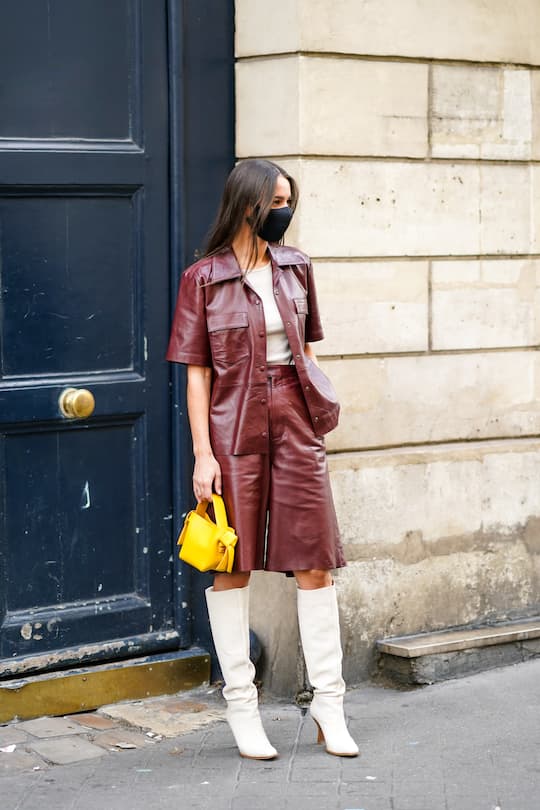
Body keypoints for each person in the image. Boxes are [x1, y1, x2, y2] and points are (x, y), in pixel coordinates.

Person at [166, 158, 358, 760]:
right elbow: (198, 376)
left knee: (315, 562)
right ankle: (242, 709)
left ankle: (330, 706)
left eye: (289, 200)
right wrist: (203, 454)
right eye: (276, 200)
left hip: (296, 420)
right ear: (247, 203)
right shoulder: (203, 278)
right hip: (232, 425)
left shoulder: (297, 266)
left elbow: (302, 349)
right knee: (232, 562)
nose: (285, 209)